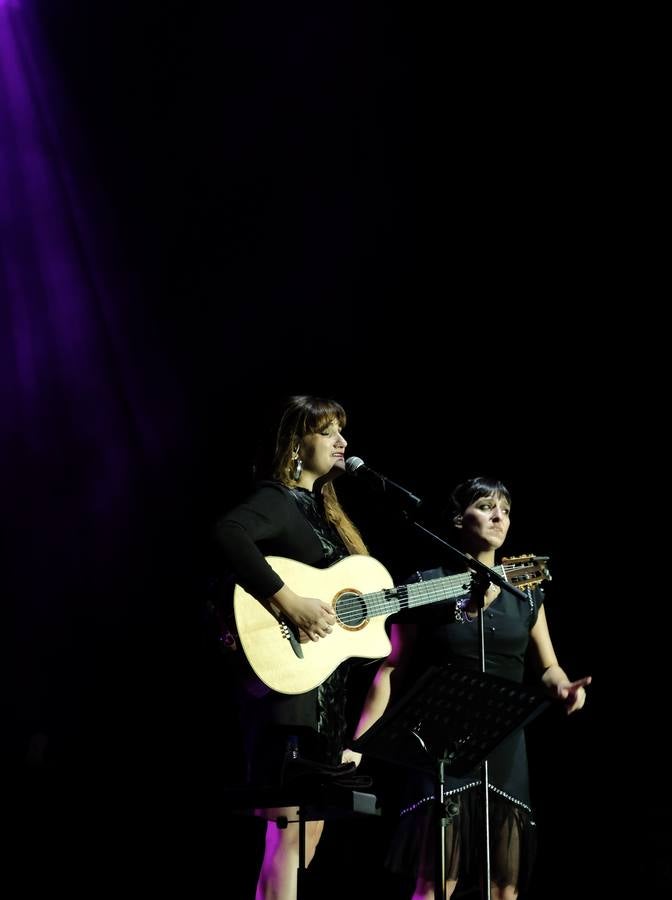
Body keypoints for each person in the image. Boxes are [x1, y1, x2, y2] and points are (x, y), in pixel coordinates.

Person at [350, 475, 591, 900]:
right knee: (435, 882)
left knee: (503, 885)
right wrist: (359, 743)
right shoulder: (428, 584)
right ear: (458, 519)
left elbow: (549, 666)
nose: (499, 516)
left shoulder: (527, 593)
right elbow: (391, 669)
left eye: (506, 510)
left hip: (504, 743)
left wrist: (565, 688)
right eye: (486, 506)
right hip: (441, 742)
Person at [213, 395, 369, 900]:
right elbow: (229, 533)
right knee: (287, 833)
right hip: (290, 691)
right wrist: (287, 600)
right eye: (328, 432)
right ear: (297, 443)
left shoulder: (326, 516)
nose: (342, 442)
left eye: (342, 432)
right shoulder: (278, 498)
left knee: (308, 839)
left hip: (327, 697)